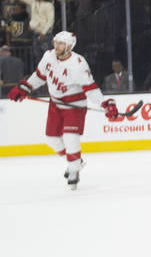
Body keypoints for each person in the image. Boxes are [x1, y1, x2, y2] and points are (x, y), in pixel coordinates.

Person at [6, 31, 120, 188]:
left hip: (75, 106)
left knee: (70, 135)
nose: (56, 46)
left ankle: (73, 169)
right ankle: (76, 161)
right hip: (56, 103)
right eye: (55, 42)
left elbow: (91, 89)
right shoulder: (49, 56)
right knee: (52, 139)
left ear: (69, 46)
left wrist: (106, 103)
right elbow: (39, 76)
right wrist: (24, 88)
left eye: (60, 43)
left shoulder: (78, 64)